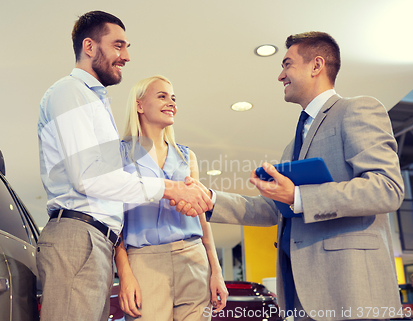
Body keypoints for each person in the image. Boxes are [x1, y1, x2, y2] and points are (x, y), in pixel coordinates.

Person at [177, 32, 404, 320]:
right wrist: (210, 200)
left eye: (287, 64)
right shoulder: (290, 146)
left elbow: (387, 188)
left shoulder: (357, 109)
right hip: (302, 295)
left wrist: (298, 196)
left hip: (352, 290)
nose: (280, 75)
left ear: (316, 65)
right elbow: (273, 209)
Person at [37, 11, 212, 321]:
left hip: (96, 239)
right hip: (79, 235)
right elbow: (87, 178)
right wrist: (168, 187)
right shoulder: (70, 93)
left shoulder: (95, 102)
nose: (126, 56)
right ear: (89, 47)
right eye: (118, 46)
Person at [114, 76, 228, 320]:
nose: (171, 103)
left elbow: (202, 218)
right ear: (139, 105)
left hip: (192, 257)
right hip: (144, 262)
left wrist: (216, 270)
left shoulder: (187, 156)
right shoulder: (119, 155)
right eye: (162, 96)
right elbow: (114, 221)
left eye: (173, 98)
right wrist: (124, 274)